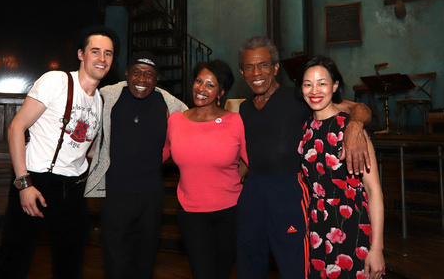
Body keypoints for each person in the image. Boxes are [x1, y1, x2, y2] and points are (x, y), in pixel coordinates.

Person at [236, 36, 372, 279]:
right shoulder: (244, 109)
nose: (256, 72)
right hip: (253, 194)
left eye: (263, 65)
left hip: (289, 193)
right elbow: (249, 157)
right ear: (242, 72)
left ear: (275, 68)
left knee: (294, 266)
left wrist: (355, 125)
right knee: (249, 264)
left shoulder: (299, 98)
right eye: (249, 67)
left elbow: (358, 108)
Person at [0, 26, 119, 279]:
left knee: (71, 263)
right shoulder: (56, 81)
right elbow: (16, 127)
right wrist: (24, 183)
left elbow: (89, 150)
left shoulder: (100, 101)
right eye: (95, 51)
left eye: (108, 53)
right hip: (37, 181)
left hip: (74, 189)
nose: (102, 59)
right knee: (14, 259)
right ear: (81, 54)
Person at [84, 51, 187, 279]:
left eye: (149, 74)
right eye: (137, 72)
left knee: (145, 258)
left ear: (156, 78)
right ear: (127, 73)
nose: (142, 80)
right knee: (115, 258)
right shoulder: (106, 96)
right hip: (114, 194)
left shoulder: (171, 105)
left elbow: (192, 132)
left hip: (151, 196)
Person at [296, 56, 385, 279]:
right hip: (316, 228)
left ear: (335, 86)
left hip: (352, 227)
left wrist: (377, 249)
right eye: (308, 84)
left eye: (322, 83)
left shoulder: (352, 129)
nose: (314, 90)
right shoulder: (306, 128)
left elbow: (373, 191)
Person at [163, 59, 247, 279]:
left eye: (210, 85)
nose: (201, 89)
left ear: (222, 91)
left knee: (222, 272)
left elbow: (248, 161)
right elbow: (157, 156)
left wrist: (229, 183)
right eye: (199, 81)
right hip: (191, 214)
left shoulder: (236, 121)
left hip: (230, 212)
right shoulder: (176, 121)